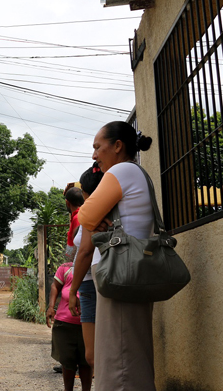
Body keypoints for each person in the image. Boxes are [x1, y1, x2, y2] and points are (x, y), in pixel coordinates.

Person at [69, 121, 155, 391]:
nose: (94, 155)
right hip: (133, 272)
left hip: (120, 275)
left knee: (117, 362)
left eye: (97, 147)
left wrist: (94, 216)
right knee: (133, 355)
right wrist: (96, 217)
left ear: (118, 146)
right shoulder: (136, 172)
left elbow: (83, 215)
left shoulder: (121, 170)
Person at [72, 163, 104, 373]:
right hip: (95, 282)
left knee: (93, 355)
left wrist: (72, 290)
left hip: (90, 284)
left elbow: (84, 252)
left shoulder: (91, 211)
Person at [46, 262, 92, 391]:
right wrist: (51, 307)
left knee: (86, 361)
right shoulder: (66, 268)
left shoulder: (94, 266)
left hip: (88, 323)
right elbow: (55, 286)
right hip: (64, 323)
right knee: (67, 362)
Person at [64, 186, 84, 260]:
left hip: (76, 259)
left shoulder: (77, 217)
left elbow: (78, 243)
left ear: (67, 202)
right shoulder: (78, 215)